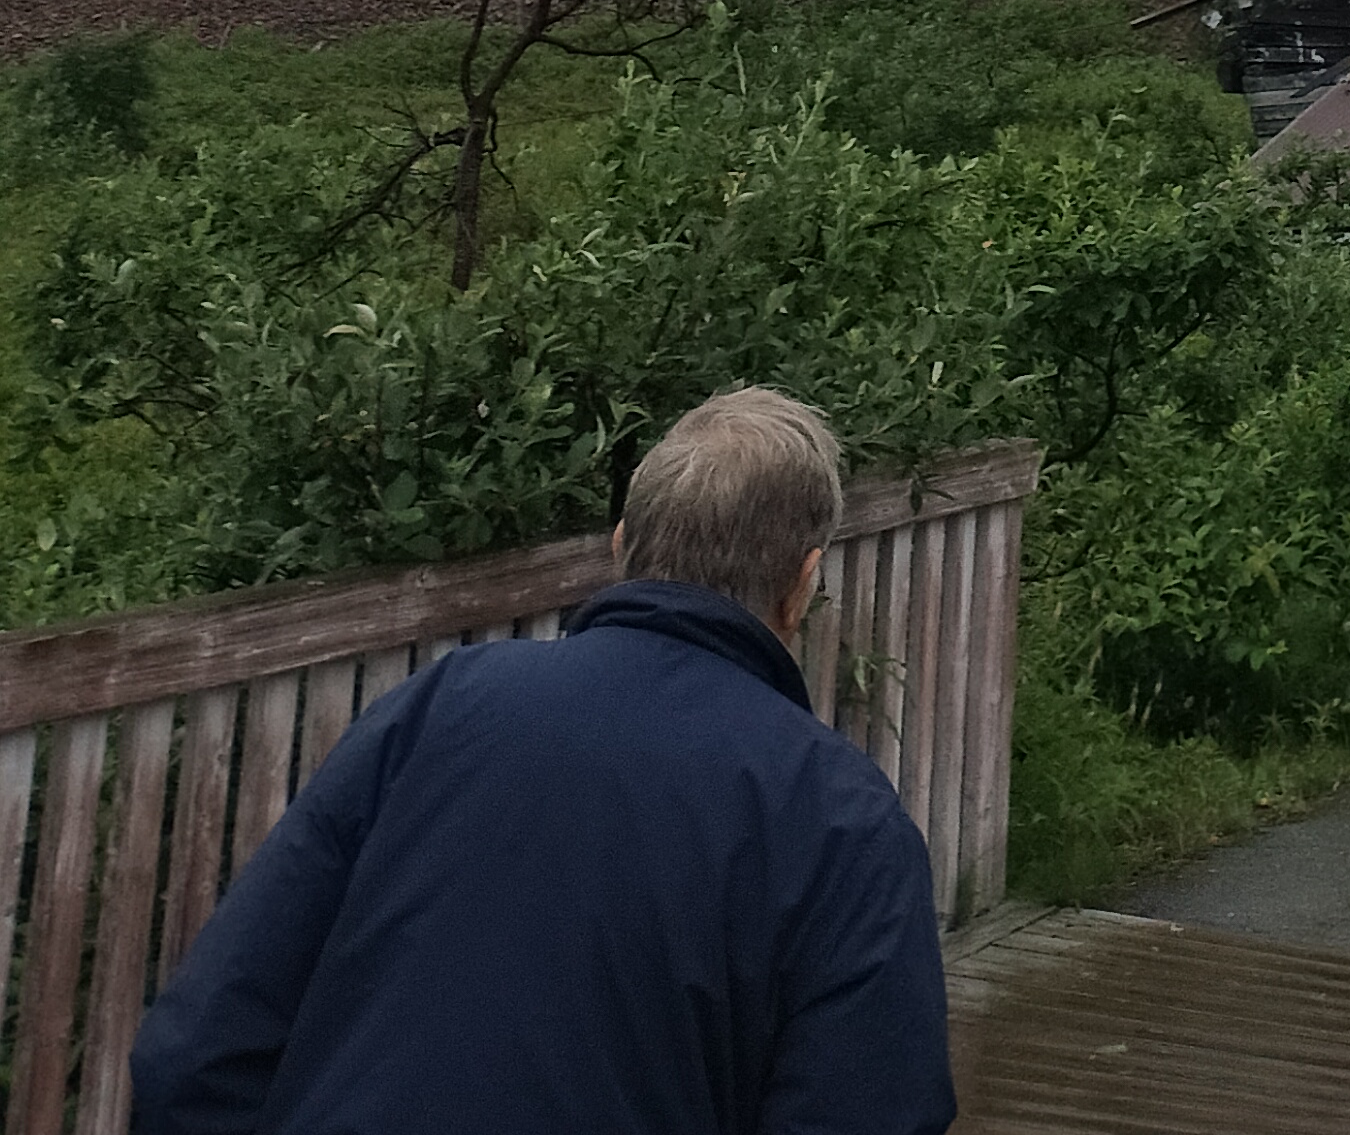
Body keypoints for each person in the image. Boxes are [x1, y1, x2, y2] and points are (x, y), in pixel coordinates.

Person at [130, 385, 953, 1135]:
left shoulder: (440, 706)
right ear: (802, 586)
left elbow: (199, 1050)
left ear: (622, 545)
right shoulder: (846, 822)